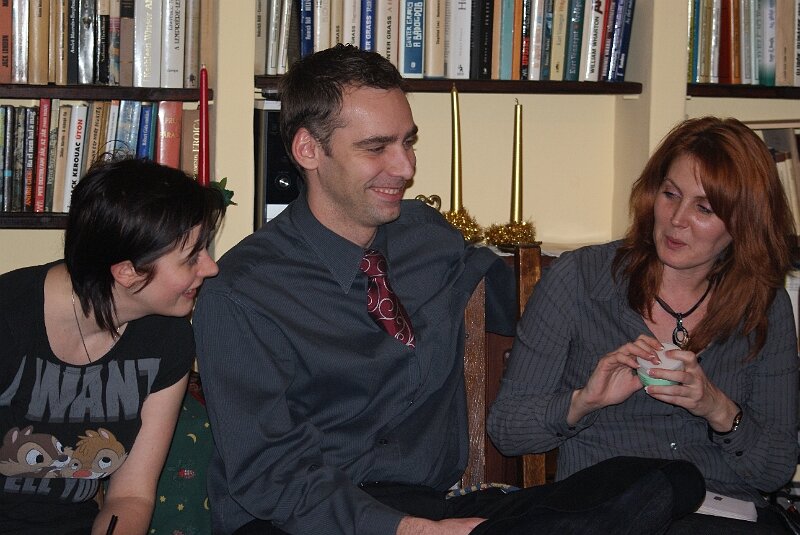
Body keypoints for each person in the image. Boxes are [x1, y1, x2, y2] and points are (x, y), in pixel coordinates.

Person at [193, 43, 705, 535]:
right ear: (308, 149)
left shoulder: (427, 237)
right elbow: (270, 475)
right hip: (303, 520)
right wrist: (409, 531)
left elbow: (540, 306)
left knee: (667, 483)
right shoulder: (241, 292)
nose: (405, 168)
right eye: (377, 147)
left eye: (408, 142)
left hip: (432, 507)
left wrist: (676, 293)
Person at [488, 116, 799, 533]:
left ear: (744, 222)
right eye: (670, 194)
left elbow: (775, 469)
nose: (676, 219)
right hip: (611, 513)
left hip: (721, 517)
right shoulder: (582, 279)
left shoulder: (764, 304)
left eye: (704, 208)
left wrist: (717, 408)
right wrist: (584, 401)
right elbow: (507, 430)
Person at [0, 157, 226, 534]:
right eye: (191, 258)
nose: (211, 268)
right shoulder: (9, 318)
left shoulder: (167, 340)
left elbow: (131, 496)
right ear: (126, 272)